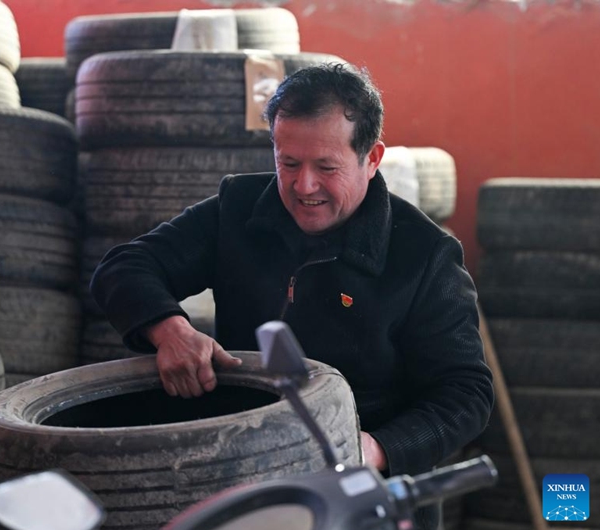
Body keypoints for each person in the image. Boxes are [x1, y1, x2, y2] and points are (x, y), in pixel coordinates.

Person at [91, 62, 494, 529]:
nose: (305, 187)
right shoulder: (237, 210)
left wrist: (370, 448)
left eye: (327, 167)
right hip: (247, 484)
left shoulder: (424, 255)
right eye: (288, 163)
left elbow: (467, 393)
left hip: (368, 498)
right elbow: (123, 266)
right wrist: (170, 329)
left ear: (373, 157)